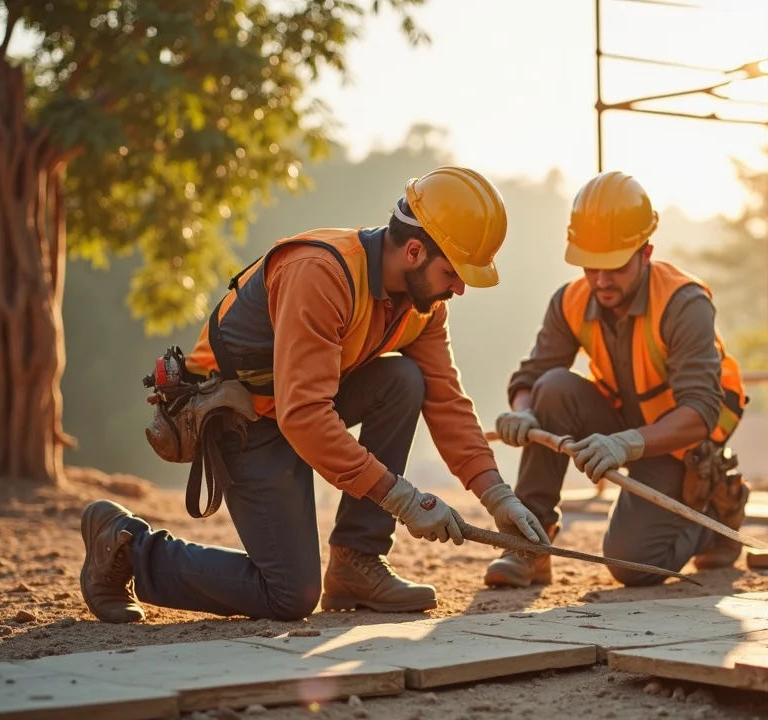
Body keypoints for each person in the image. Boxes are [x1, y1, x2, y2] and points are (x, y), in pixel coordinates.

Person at [80, 166, 549, 623]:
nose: (460, 288)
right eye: (453, 272)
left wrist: (497, 496)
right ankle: (126, 547)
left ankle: (356, 563)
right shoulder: (321, 273)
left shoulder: (423, 307)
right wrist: (403, 499)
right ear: (413, 251)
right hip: (242, 418)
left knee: (403, 379)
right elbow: (305, 416)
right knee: (290, 593)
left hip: (299, 406)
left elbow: (447, 401)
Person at [486, 171, 749, 588]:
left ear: (646, 253)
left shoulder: (684, 304)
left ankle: (717, 515)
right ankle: (529, 544)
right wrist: (523, 412)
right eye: (591, 266)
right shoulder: (571, 300)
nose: (602, 280)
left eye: (615, 266)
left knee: (633, 565)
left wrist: (626, 444)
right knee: (552, 387)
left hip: (677, 441)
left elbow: (701, 412)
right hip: (621, 420)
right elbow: (532, 378)